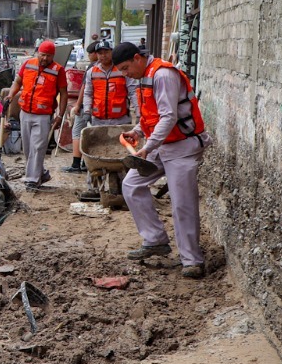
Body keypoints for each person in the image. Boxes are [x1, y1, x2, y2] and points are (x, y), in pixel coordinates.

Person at [112, 41, 209, 279]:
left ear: (137, 58)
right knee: (131, 185)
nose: (125, 74)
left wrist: (148, 147)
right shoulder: (145, 76)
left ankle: (192, 261)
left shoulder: (163, 75)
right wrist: (137, 131)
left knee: (182, 203)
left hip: (182, 146)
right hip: (162, 145)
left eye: (125, 68)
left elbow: (168, 117)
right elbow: (151, 115)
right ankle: (155, 239)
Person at [5, 39, 67, 191]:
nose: (45, 58)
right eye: (42, 54)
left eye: (48, 56)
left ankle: (32, 180)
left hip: (43, 115)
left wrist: (60, 116)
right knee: (27, 149)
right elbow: (18, 81)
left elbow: (64, 94)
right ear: (38, 52)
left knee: (38, 148)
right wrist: (11, 94)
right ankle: (42, 173)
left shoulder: (58, 70)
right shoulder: (28, 64)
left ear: (53, 56)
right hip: (25, 112)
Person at [65, 40, 131, 173]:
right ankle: (94, 181)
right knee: (97, 152)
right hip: (98, 119)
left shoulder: (121, 70)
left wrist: (140, 112)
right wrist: (87, 111)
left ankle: (122, 180)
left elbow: (133, 92)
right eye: (100, 53)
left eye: (106, 52)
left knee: (120, 152)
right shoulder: (92, 72)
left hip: (120, 119)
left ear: (112, 52)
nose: (103, 55)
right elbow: (88, 93)